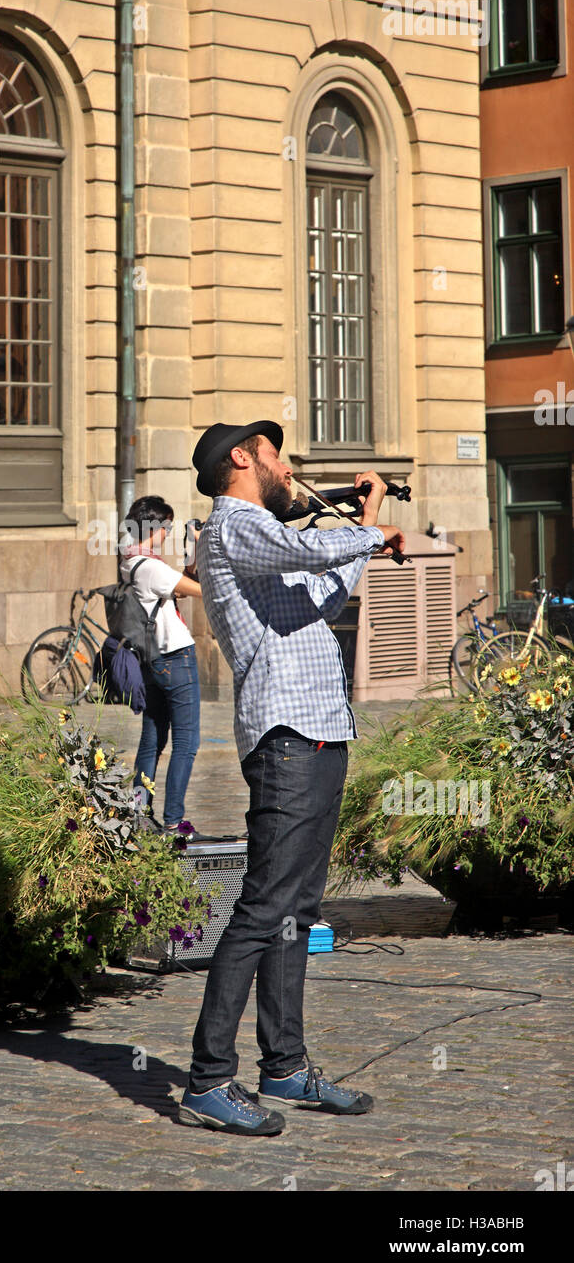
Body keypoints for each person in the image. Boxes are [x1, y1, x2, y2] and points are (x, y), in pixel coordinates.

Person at [178, 420, 405, 1136]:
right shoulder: (233, 527)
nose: (285, 464)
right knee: (262, 908)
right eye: (272, 451)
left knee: (296, 916)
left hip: (321, 731)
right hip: (284, 739)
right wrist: (370, 534)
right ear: (241, 459)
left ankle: (283, 1066)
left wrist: (366, 522)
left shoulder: (265, 544)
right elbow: (302, 546)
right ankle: (209, 1080)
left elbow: (326, 596)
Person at [120, 495, 204, 836]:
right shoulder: (152, 568)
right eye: (166, 527)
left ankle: (139, 815)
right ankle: (174, 821)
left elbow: (180, 587)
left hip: (151, 662)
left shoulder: (132, 563)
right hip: (176, 659)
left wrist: (194, 550)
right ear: (152, 527)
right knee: (186, 742)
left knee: (151, 741)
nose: (168, 533)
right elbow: (199, 590)